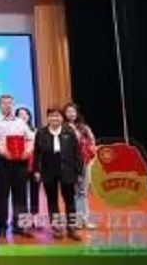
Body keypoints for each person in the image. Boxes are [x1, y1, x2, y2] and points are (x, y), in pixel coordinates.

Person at [0, 95, 34, 238]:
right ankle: (2, 226)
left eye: (10, 103)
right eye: (4, 103)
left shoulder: (20, 122)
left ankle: (20, 227)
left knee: (21, 194)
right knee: (2, 195)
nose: (8, 105)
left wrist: (28, 151)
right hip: (2, 161)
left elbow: (30, 138)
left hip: (20, 161)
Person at [33, 108, 83, 240]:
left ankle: (72, 228)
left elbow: (76, 151)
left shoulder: (69, 131)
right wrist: (36, 170)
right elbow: (37, 153)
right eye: (51, 116)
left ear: (61, 118)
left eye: (57, 116)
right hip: (48, 168)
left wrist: (78, 170)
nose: (54, 118)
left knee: (70, 200)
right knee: (52, 200)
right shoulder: (41, 132)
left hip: (67, 168)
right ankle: (56, 227)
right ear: (48, 118)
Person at [63, 102, 97, 229]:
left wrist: (90, 154)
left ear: (76, 113)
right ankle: (76, 220)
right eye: (68, 111)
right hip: (70, 164)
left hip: (85, 162)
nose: (71, 114)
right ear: (64, 114)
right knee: (74, 192)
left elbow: (92, 141)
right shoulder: (62, 128)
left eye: (73, 111)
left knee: (83, 191)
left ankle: (85, 220)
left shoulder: (84, 127)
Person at [16, 107, 40, 220]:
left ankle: (35, 217)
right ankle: (23, 218)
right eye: (20, 114)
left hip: (34, 165)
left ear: (29, 116)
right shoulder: (14, 131)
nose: (23, 116)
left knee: (35, 193)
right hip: (20, 166)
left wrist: (38, 169)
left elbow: (39, 151)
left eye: (25, 114)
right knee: (21, 194)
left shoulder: (36, 131)